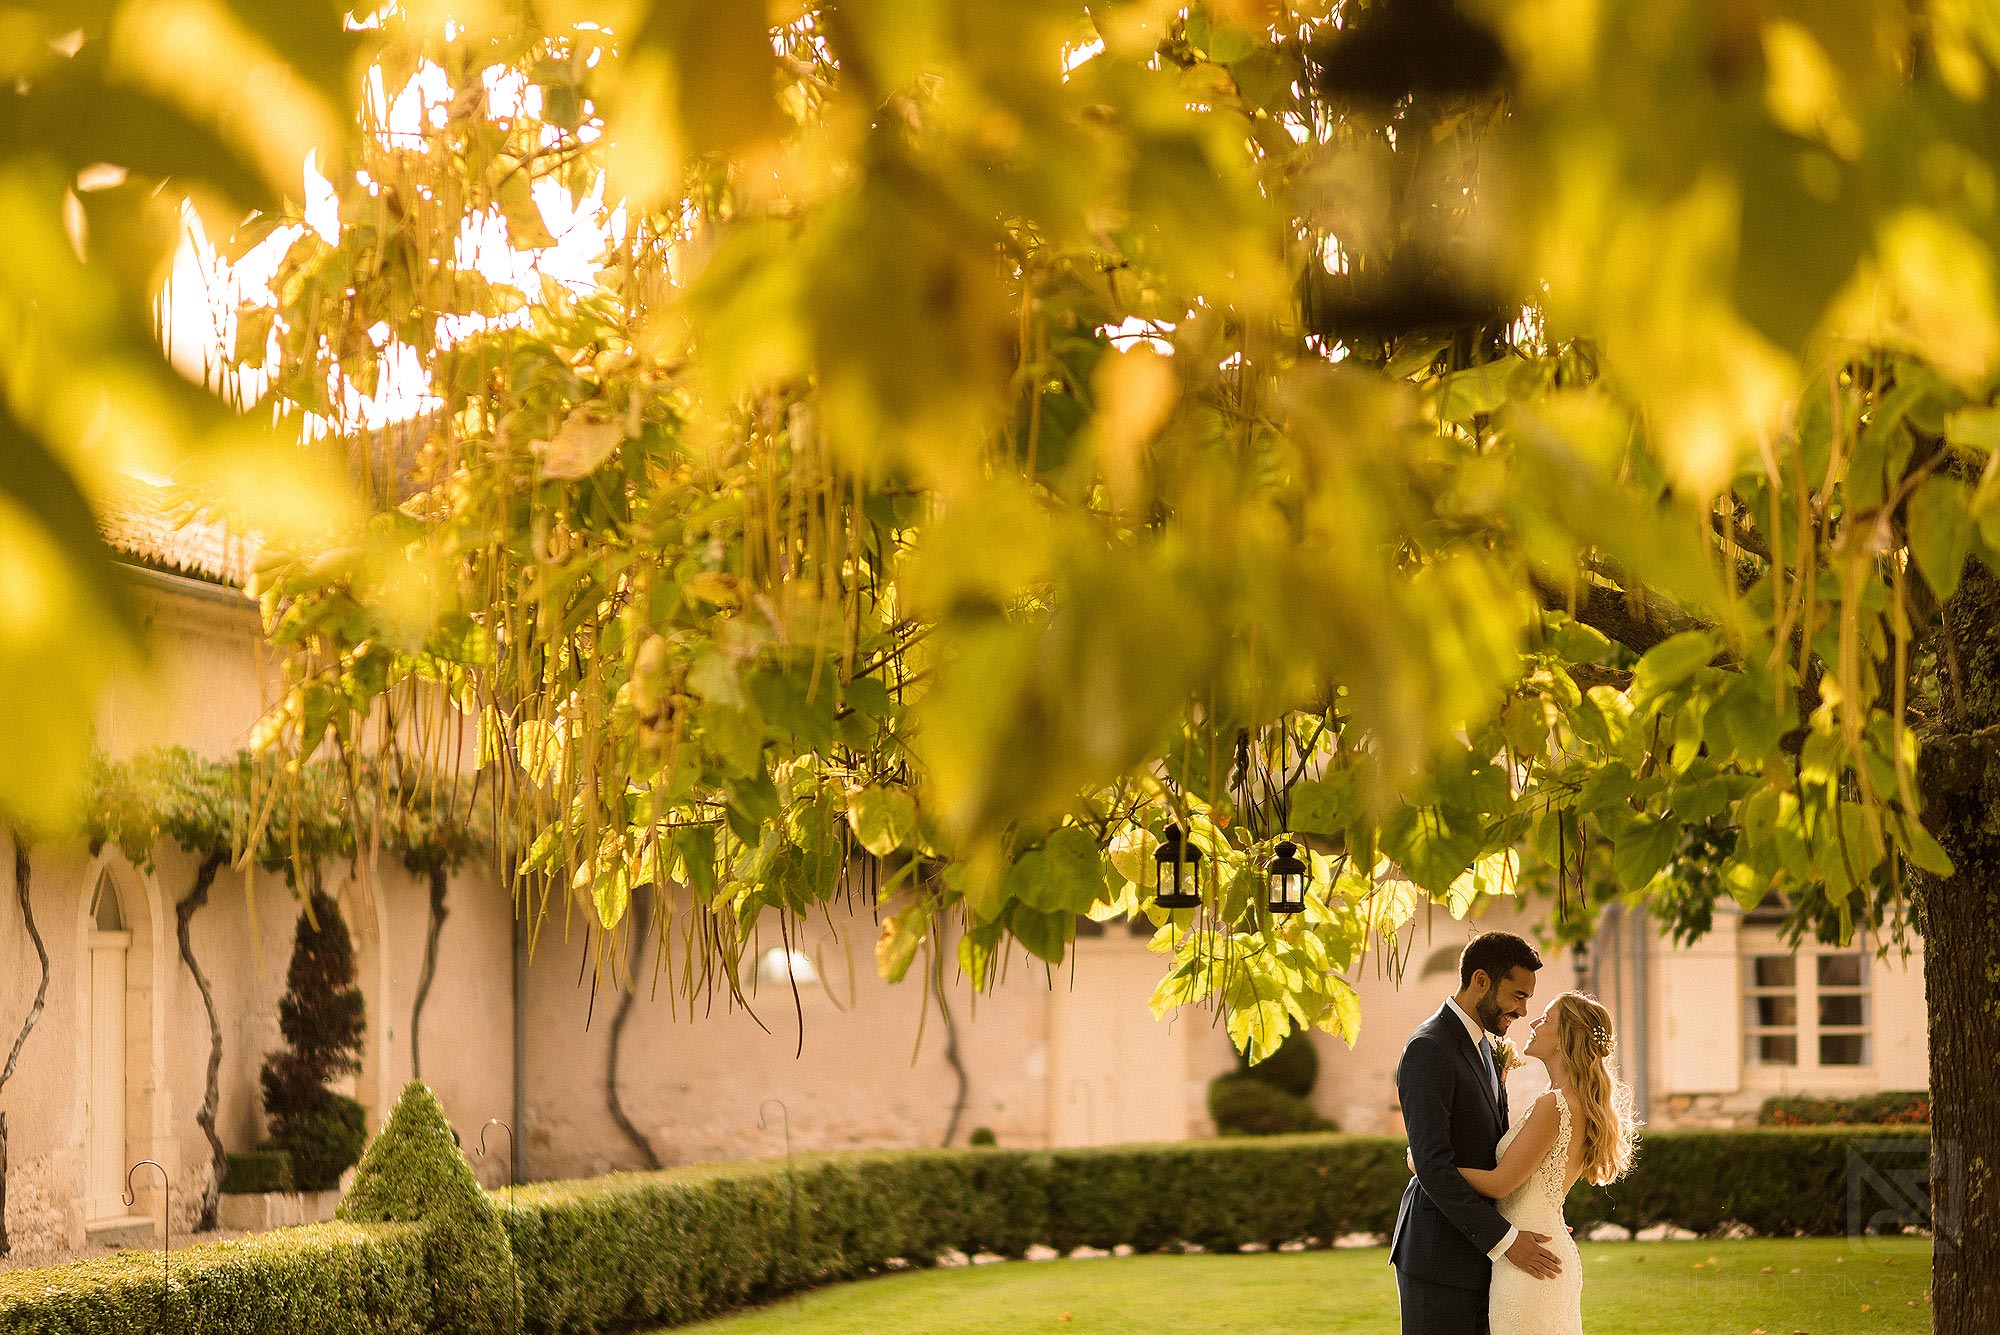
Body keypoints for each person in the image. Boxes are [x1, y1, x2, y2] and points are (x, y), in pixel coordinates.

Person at [1391, 932, 1557, 1335]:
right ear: (1481, 980)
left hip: (1478, 1255)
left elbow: (1490, 1153)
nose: (1522, 1010)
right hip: (1438, 1256)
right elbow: (1432, 1166)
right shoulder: (1429, 1048)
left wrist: (1530, 1209)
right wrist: (1504, 1240)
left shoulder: (1485, 1044)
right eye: (1517, 995)